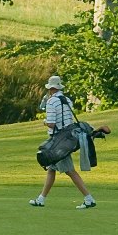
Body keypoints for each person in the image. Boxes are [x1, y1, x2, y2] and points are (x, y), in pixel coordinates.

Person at [30, 74, 97, 209]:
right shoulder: (67, 100)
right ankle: (41, 199)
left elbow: (51, 124)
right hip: (68, 138)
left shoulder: (51, 102)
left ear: (50, 89)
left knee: (70, 171)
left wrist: (44, 122)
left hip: (57, 142)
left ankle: (89, 198)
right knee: (51, 170)